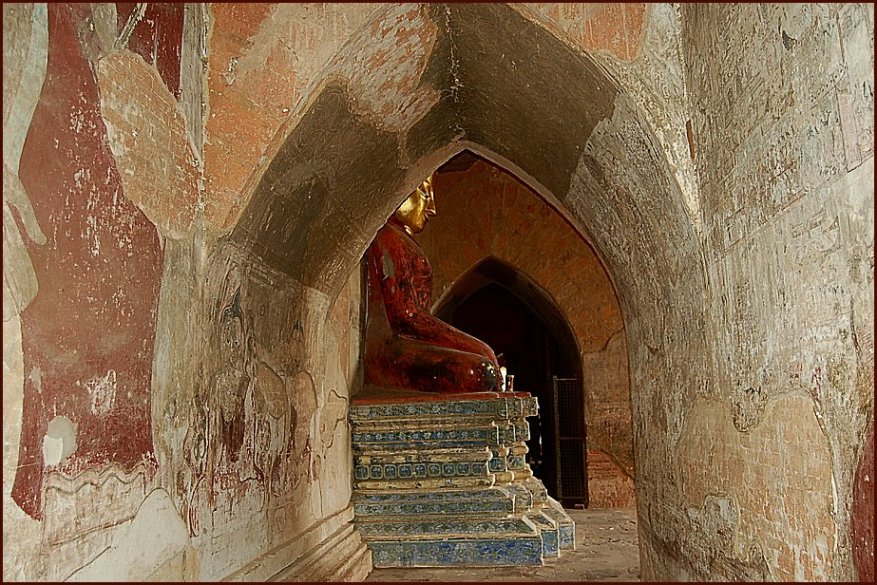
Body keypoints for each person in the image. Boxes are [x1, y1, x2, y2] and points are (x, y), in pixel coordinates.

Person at [363, 174, 501, 394]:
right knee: (480, 372)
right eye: (425, 193)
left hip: (409, 341)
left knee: (487, 366)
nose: (432, 208)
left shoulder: (403, 240)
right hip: (391, 348)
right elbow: (406, 317)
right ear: (400, 194)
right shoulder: (387, 237)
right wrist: (480, 348)